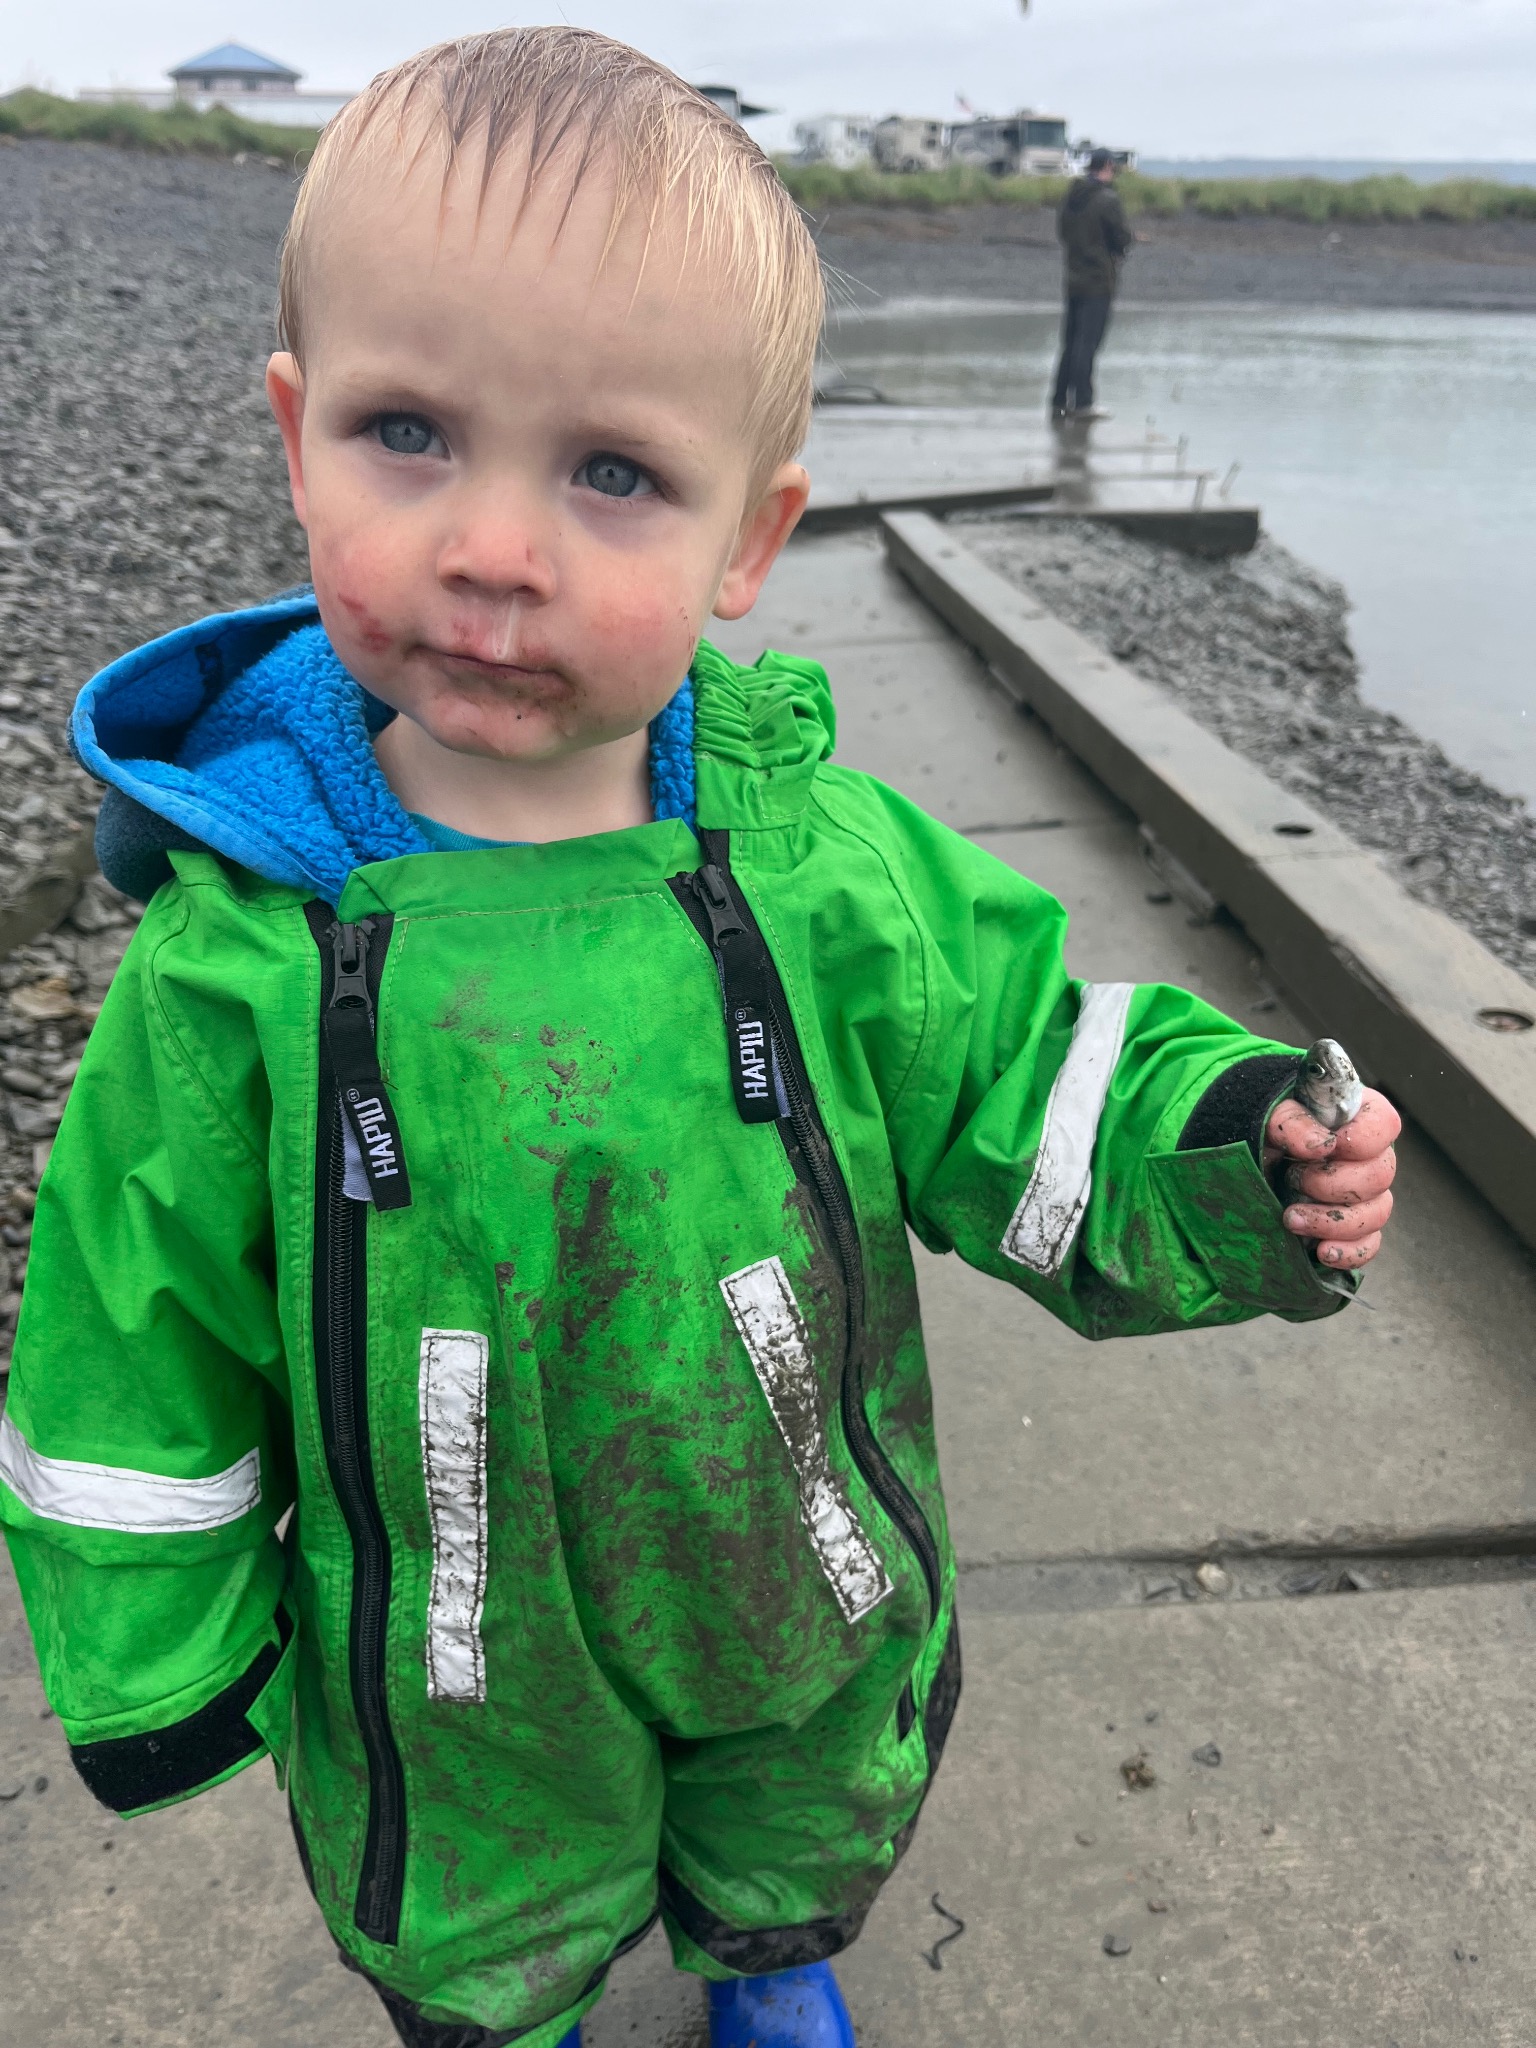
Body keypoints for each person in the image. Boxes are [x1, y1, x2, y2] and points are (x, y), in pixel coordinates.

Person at [0, 29, 1399, 2048]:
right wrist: (161, 1653)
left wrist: (1232, 1133)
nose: (495, 545)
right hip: (450, 1642)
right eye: (410, 432)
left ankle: (769, 1943)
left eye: (612, 473)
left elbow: (1022, 1058)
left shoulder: (817, 868)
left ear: (749, 536)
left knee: (799, 1779)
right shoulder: (239, 954)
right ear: (297, 437)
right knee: (477, 1882)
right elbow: (130, 1319)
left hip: (786, 1546)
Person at [1051, 145, 1133, 421]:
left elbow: (1063, 233)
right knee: (1088, 344)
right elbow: (1122, 238)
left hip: (1073, 278)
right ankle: (1083, 403)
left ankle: (1059, 401)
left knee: (1070, 342)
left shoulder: (1071, 198)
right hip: (1098, 281)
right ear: (1107, 167)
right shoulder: (1107, 200)